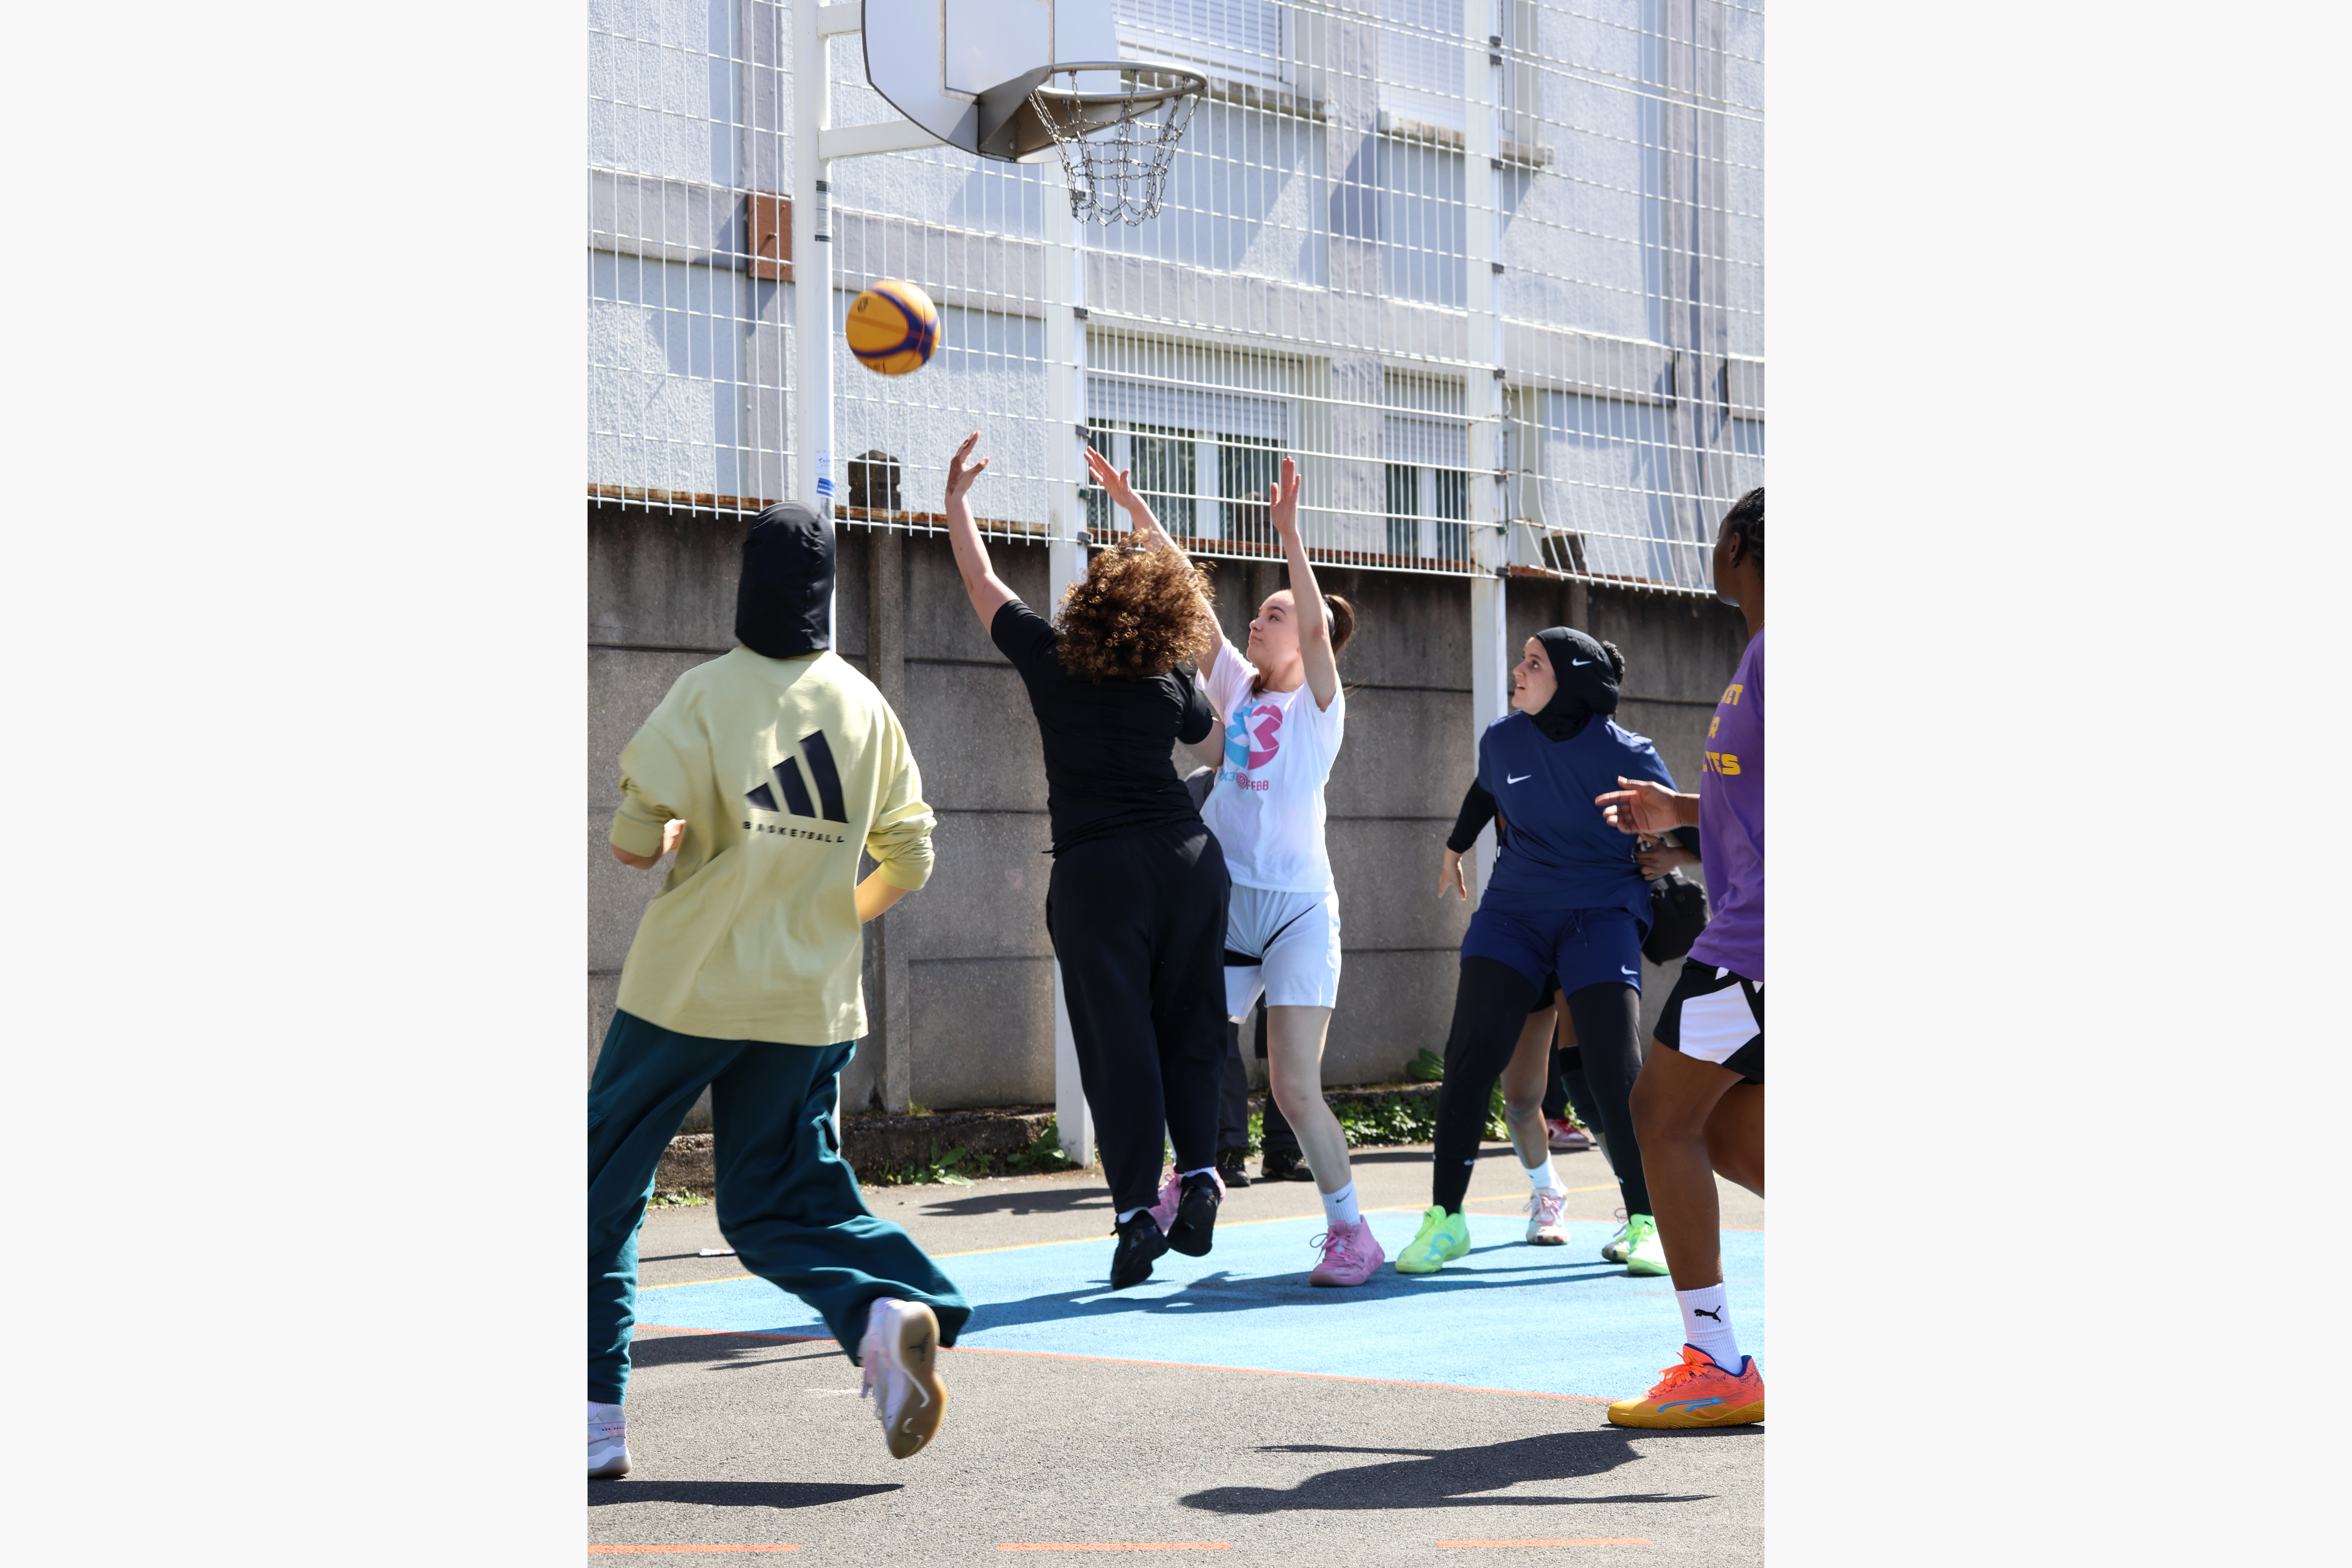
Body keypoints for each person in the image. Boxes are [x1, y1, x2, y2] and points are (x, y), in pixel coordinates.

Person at [588, 501, 969, 1479]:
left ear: (742, 583)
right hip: (808, 1003)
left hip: (688, 990)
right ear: (830, 591)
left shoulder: (703, 697)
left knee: (601, 1193)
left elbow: (634, 842)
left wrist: (670, 840)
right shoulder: (864, 706)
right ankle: (881, 1307)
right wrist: (837, 913)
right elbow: (912, 858)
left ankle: (593, 1419)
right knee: (775, 1205)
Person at [941, 432, 1231, 1291]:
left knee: (1120, 1043)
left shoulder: (1054, 659)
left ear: (1086, 605)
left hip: (1099, 873)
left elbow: (981, 582)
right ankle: (1204, 1175)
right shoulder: (1172, 672)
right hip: (1186, 857)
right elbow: (1210, 731)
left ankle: (1140, 1210)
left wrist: (956, 504)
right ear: (1165, 614)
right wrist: (1143, 521)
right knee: (1193, 1023)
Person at [1098, 448, 1383, 1287]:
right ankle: (1184, 1186)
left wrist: (1291, 536)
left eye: (1273, 614)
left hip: (1296, 912)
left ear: (1309, 636)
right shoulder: (1238, 685)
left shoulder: (1320, 708)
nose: (1256, 623)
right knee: (1175, 1053)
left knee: (1295, 1087)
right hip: (1224, 907)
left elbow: (1318, 630)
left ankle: (1350, 1233)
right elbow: (1187, 589)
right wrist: (1131, 503)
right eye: (1257, 614)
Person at [1396, 629, 1678, 1277]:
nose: (1517, 673)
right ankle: (1446, 1220)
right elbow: (1486, 791)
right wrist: (1453, 847)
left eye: (1533, 664)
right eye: (1522, 661)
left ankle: (1646, 1220)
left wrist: (1677, 855)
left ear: (1572, 682)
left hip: (1600, 912)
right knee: (1469, 1058)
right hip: (1514, 914)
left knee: (1611, 1070)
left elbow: (1691, 822)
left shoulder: (1628, 754)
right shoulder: (1502, 739)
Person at [1596, 485, 1766, 1430]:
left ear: (1741, 544)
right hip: (1752, 938)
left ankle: (1716, 1360)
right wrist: (1684, 823)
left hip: (1757, 950)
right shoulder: (1757, 657)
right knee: (1733, 1132)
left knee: (1658, 1114)